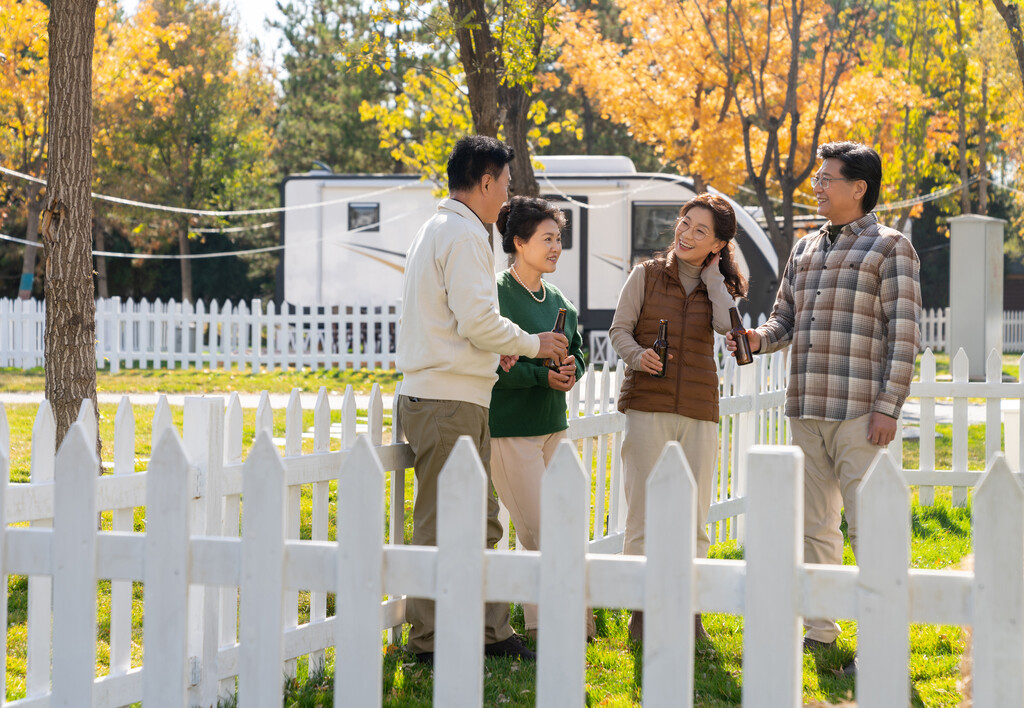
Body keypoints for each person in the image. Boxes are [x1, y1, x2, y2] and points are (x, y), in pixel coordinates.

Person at [726, 141, 921, 670]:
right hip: (806, 405)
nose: (817, 185)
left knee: (868, 526)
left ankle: (884, 637)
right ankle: (820, 631)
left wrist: (888, 407)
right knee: (815, 526)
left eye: (826, 178)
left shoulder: (891, 247)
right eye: (817, 177)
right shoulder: (805, 248)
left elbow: (904, 337)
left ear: (858, 187)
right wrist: (757, 339)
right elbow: (784, 318)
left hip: (861, 412)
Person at [396, 136, 569, 665]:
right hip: (448, 398)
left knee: (478, 518)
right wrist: (532, 343)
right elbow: (477, 320)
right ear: (487, 181)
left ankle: (491, 630)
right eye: (506, 184)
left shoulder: (438, 226)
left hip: (450, 391)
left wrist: (496, 356)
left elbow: (456, 322)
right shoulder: (466, 234)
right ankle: (429, 642)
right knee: (445, 522)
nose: (507, 195)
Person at [609, 193, 748, 644]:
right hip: (648, 404)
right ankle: (642, 617)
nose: (685, 234)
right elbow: (619, 331)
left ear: (717, 245)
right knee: (643, 519)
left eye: (700, 231)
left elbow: (732, 330)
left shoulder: (716, 284)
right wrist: (637, 356)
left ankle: (690, 617)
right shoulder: (645, 276)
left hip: (699, 409)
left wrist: (712, 279)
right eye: (684, 223)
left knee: (694, 520)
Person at [487, 196, 596, 641]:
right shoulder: (494, 294)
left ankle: (549, 624)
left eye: (559, 239)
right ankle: (561, 627)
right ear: (518, 242)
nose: (556, 247)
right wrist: (538, 376)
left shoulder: (559, 298)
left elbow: (580, 351)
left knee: (563, 527)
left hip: (555, 426)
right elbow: (490, 368)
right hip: (512, 430)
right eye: (547, 239)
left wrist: (573, 371)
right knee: (540, 532)